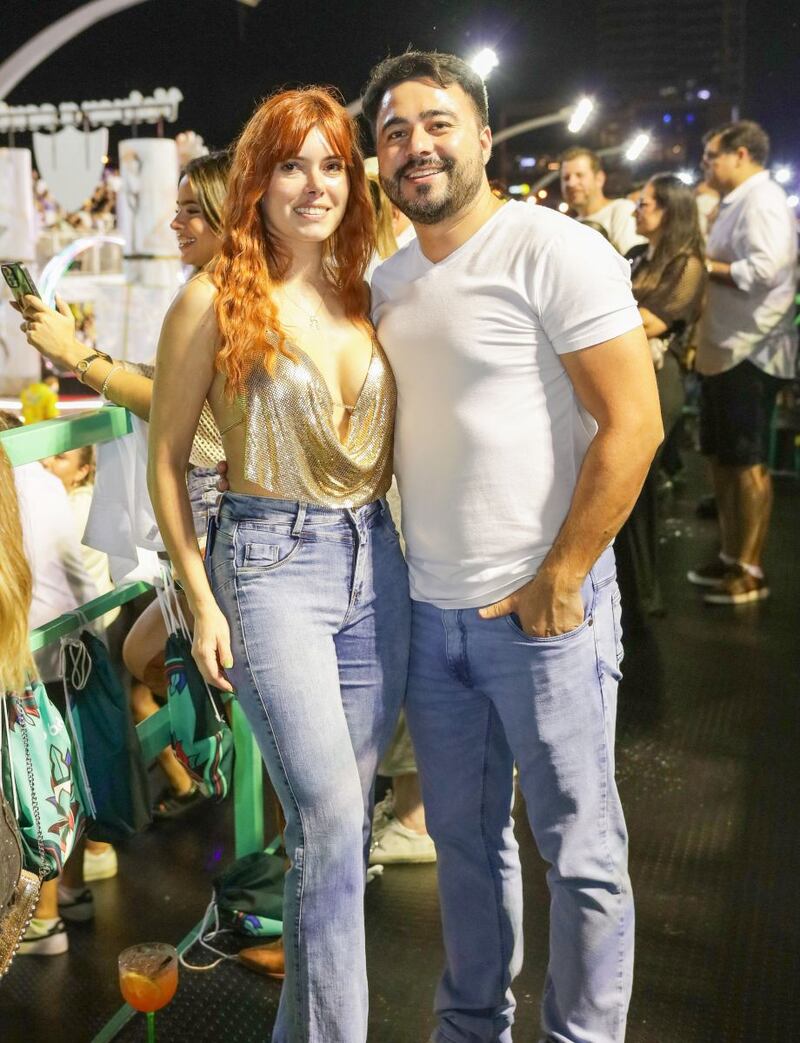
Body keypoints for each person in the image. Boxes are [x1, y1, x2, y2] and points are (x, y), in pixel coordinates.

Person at [361, 51, 663, 1043]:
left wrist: (561, 576)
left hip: (542, 616)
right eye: (395, 131)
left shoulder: (553, 249)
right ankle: (469, 1026)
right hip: (432, 619)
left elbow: (633, 424)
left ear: (484, 137)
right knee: (463, 844)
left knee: (580, 851)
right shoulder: (387, 282)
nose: (417, 145)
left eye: (437, 123)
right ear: (378, 157)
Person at [147, 88, 410, 1043]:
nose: (315, 184)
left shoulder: (367, 285)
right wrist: (200, 596)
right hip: (268, 567)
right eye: (292, 164)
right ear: (256, 180)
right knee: (332, 824)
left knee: (337, 833)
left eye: (332, 164)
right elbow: (165, 460)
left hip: (377, 565)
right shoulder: (211, 297)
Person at [17, 151, 232, 817]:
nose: (175, 222)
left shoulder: (225, 295)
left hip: (233, 534)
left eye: (193, 210)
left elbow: (189, 410)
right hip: (211, 533)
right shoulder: (216, 290)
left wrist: (76, 357)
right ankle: (225, 773)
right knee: (147, 655)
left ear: (232, 215)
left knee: (161, 658)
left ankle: (257, 813)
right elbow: (174, 387)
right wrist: (83, 354)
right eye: (177, 207)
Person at [689, 120, 798, 604]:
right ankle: (730, 554)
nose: (706, 164)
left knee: (748, 463)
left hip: (750, 350)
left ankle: (751, 569)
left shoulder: (763, 199)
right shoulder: (734, 202)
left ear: (741, 154)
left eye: (712, 155)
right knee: (722, 460)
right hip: (723, 348)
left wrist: (704, 266)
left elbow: (765, 269)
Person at [614, 174, 707, 623]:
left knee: (638, 482)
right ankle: (626, 591)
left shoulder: (688, 264)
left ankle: (644, 595)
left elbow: (655, 321)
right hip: (625, 372)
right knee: (620, 483)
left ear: (671, 209)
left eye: (645, 203)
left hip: (658, 376)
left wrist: (606, 317)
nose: (636, 210)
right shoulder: (636, 255)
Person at [560, 146, 646, 255]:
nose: (571, 183)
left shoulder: (622, 209)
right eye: (566, 178)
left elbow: (631, 260)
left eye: (579, 175)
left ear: (599, 179)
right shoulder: (569, 225)